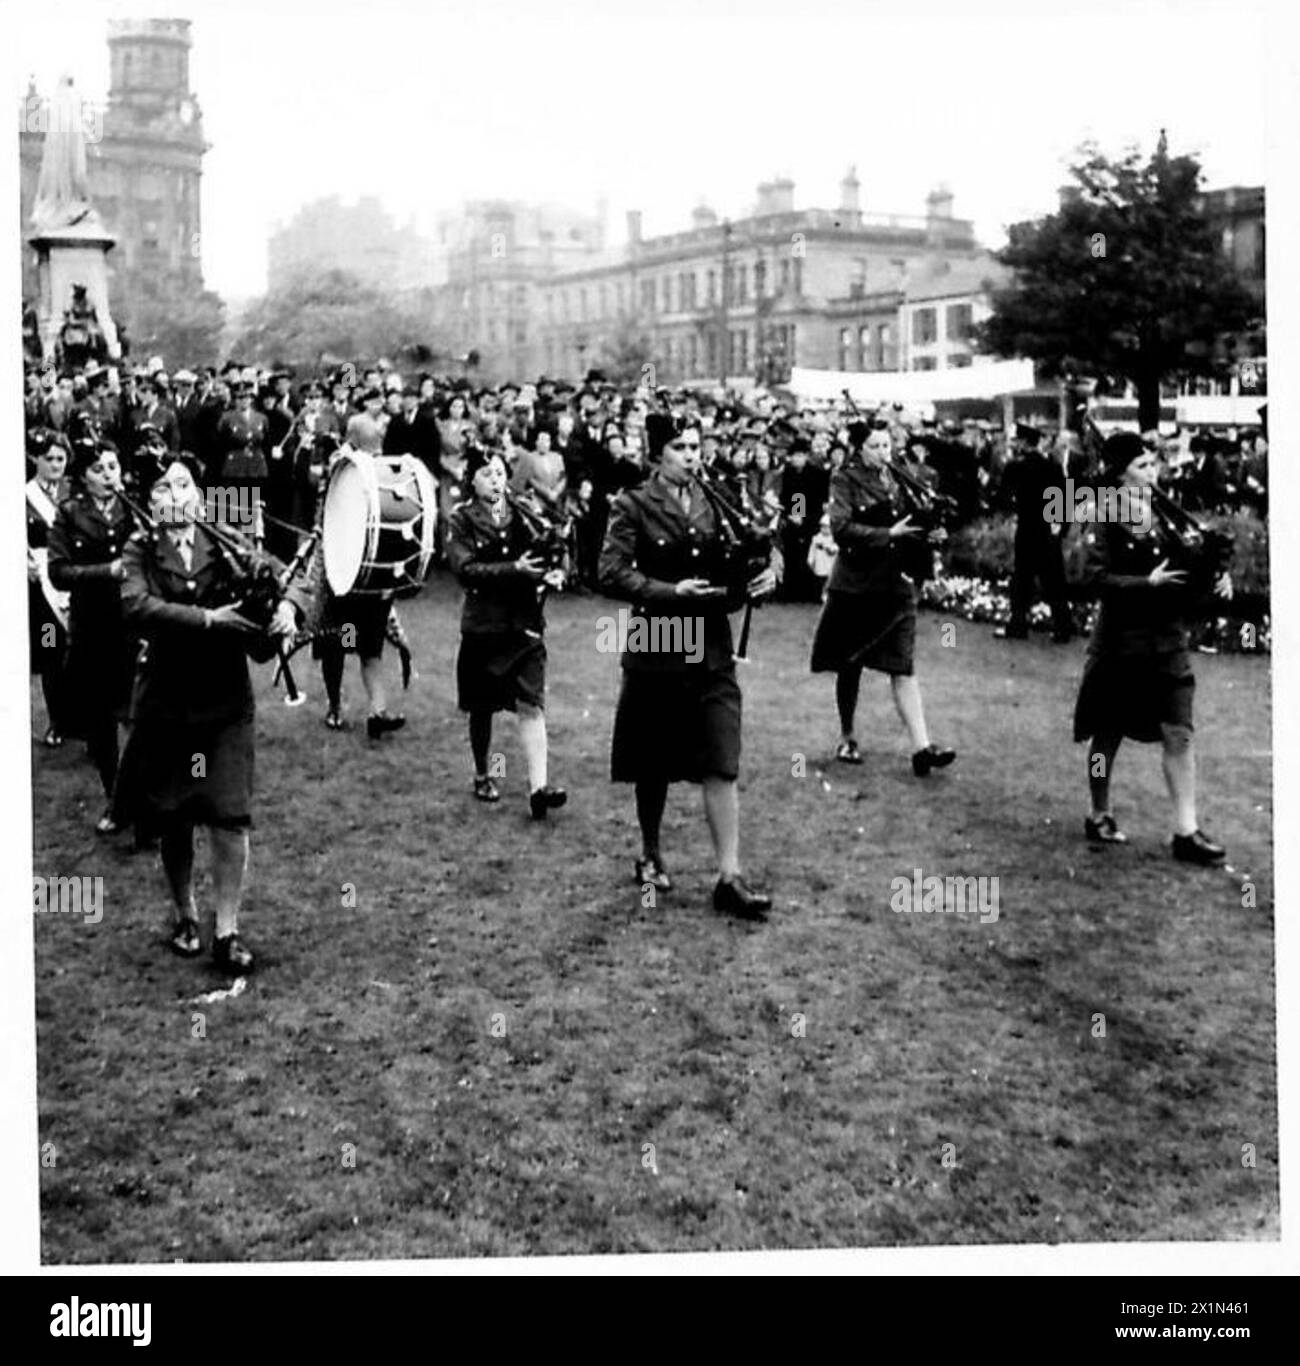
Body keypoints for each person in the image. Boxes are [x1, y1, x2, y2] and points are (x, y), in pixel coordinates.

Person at [119, 456, 299, 972]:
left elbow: (286, 578)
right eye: (162, 488)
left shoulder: (225, 543)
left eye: (183, 485)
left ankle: (227, 930)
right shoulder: (140, 550)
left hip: (224, 705)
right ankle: (184, 913)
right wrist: (207, 619)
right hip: (169, 705)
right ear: (151, 503)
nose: (174, 495)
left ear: (198, 497)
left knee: (228, 817)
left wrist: (286, 609)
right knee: (175, 818)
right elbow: (136, 607)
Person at [599, 413, 776, 918]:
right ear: (658, 454)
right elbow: (609, 571)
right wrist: (667, 592)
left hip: (711, 644)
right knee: (653, 759)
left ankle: (729, 877)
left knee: (721, 754)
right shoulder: (631, 504)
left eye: (697, 445)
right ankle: (652, 852)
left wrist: (770, 572)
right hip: (658, 638)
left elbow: (759, 544)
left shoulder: (716, 498)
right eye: (680, 446)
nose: (693, 455)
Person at [1072, 433, 1230, 865]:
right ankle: (1099, 810)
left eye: (1153, 465)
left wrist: (1213, 579)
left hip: (1167, 640)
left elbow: (1185, 569)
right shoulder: (1099, 513)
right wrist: (1148, 583)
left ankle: (1186, 830)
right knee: (1106, 735)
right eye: (1142, 466)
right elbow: (1089, 580)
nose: (1152, 473)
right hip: (1122, 643)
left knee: (1179, 732)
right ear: (1120, 472)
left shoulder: (1162, 513)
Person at [809, 420, 956, 776]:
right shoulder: (844, 479)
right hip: (856, 586)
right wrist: (888, 532)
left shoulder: (900, 478)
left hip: (896, 582)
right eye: (875, 446)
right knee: (850, 664)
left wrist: (931, 532)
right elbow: (841, 529)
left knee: (903, 665)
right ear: (859, 449)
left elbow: (915, 521)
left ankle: (921, 747)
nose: (883, 453)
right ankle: (847, 736)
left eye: (887, 445)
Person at [446, 448, 567, 819]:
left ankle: (539, 788)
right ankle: (484, 773)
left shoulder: (523, 512)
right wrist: (515, 568)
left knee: (531, 704)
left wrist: (557, 570)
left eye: (500, 473)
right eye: (486, 474)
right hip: (484, 626)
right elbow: (465, 570)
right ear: (472, 480)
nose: (496, 479)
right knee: (482, 709)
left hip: (524, 623)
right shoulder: (462, 519)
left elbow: (554, 545)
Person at [47, 436, 140, 832]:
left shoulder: (133, 508)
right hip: (92, 627)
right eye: (99, 469)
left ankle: (141, 798)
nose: (108, 475)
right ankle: (115, 800)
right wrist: (106, 571)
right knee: (102, 723)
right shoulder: (69, 514)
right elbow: (58, 572)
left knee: (138, 715)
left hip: (133, 625)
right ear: (84, 476)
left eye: (113, 467)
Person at [995, 424, 1074, 642]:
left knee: (1022, 579)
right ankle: (1063, 627)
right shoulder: (1054, 468)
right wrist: (1061, 527)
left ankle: (1018, 625)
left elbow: (1003, 498)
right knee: (1054, 580)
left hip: (1027, 529)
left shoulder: (1015, 467)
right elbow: (1066, 501)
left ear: (1022, 443)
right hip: (1049, 530)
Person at [26, 430, 72, 747]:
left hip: (74, 576)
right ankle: (57, 720)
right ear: (35, 460)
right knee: (51, 649)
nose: (56, 464)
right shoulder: (21, 495)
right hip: (41, 586)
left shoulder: (74, 491)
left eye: (61, 458)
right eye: (50, 458)